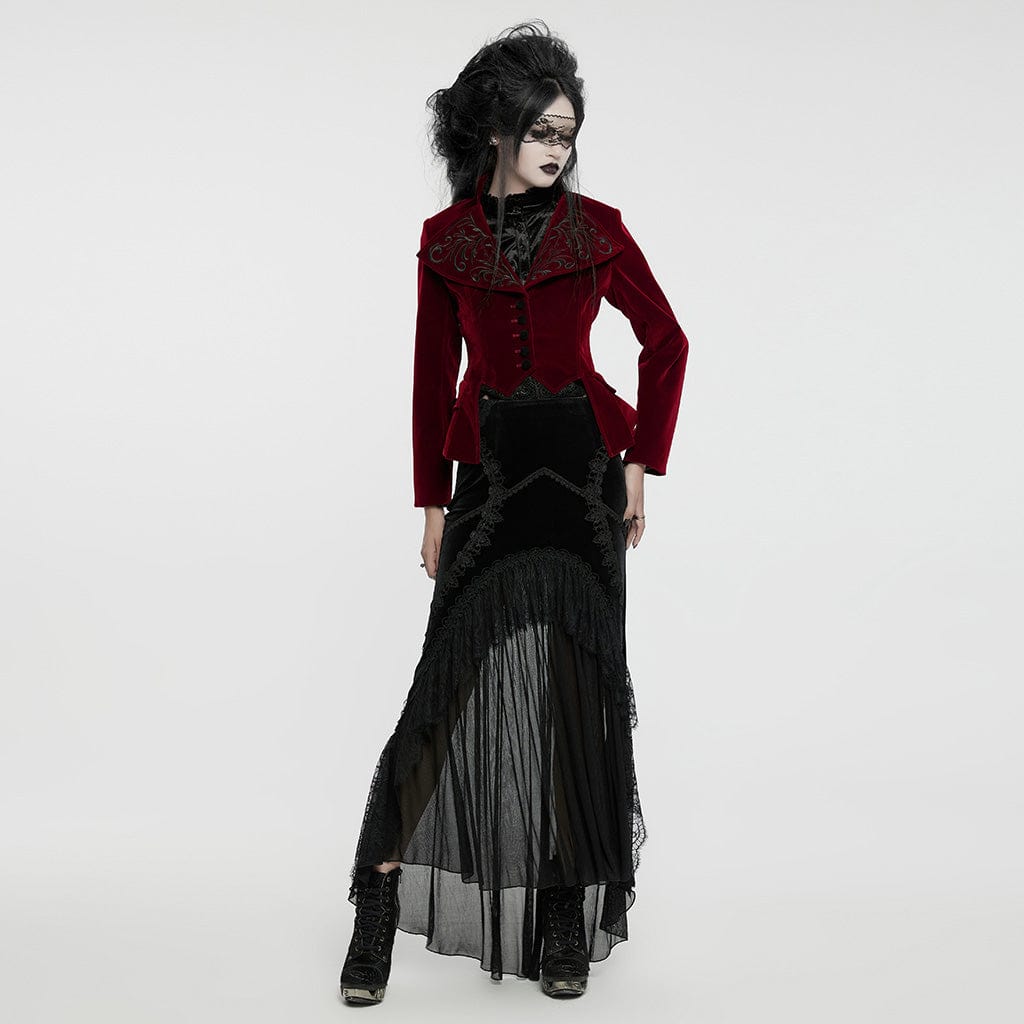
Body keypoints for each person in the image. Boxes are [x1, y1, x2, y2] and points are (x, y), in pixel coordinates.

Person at [339, 20, 689, 1004]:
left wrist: (642, 462)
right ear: (494, 131)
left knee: (580, 696)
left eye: (567, 133)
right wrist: (430, 501)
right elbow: (429, 378)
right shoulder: (446, 241)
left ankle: (562, 912)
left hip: (582, 480)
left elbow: (667, 340)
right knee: (437, 696)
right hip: (490, 484)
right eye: (540, 130)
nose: (557, 148)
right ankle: (375, 899)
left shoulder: (598, 229)